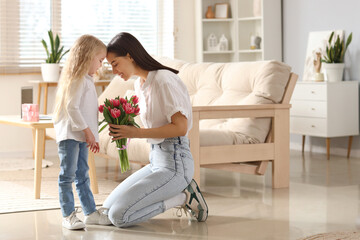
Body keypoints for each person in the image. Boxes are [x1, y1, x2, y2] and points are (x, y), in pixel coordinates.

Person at [102, 32, 208, 228]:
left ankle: (183, 197)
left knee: (119, 217)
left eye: (115, 63)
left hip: (176, 164)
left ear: (130, 56)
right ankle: (178, 194)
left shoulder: (163, 80)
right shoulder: (139, 84)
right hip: (155, 160)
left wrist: (136, 133)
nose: (113, 70)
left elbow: (180, 127)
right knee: (105, 212)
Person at [53, 34, 112, 230]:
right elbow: (72, 108)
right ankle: (68, 214)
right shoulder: (77, 79)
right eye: (100, 60)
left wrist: (90, 135)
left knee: (82, 174)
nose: (101, 64)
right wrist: (88, 133)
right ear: (87, 56)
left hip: (80, 135)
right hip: (71, 135)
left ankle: (89, 212)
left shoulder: (87, 80)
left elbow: (87, 111)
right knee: (68, 175)